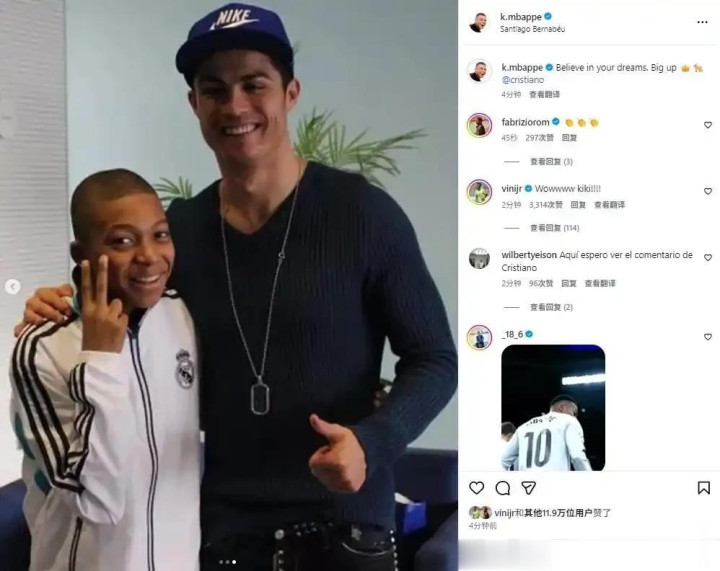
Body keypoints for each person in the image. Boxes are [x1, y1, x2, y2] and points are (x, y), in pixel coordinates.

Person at [15, 3, 458, 569]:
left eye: (254, 84)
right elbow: (126, 301)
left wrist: (374, 442)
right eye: (214, 90)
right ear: (194, 104)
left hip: (345, 532)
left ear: (290, 93)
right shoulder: (180, 233)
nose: (236, 106)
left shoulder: (363, 214)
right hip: (225, 538)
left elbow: (435, 358)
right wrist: (64, 301)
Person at [9, 169, 201, 570]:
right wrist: (100, 359)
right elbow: (97, 499)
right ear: (81, 254)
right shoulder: (43, 348)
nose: (148, 255)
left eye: (160, 234)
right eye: (123, 241)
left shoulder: (183, 316)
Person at [502, 395, 593, 471]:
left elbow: (502, 461)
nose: (575, 416)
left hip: (526, 484)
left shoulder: (523, 427)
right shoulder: (569, 420)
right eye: (574, 412)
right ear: (562, 407)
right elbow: (578, 456)